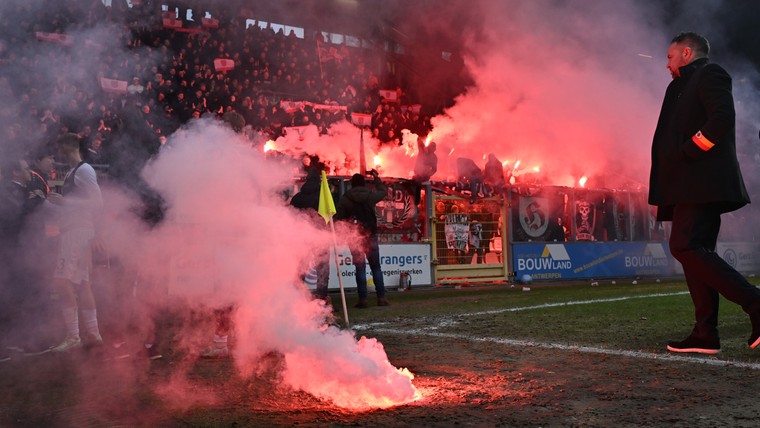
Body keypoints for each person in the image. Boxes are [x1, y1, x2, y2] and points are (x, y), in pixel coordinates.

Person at [648, 32, 760, 354]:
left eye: (670, 58)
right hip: (687, 184)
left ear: (686, 52)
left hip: (701, 182)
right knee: (696, 253)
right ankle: (705, 334)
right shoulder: (679, 85)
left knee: (684, 245)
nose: (666, 65)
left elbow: (722, 118)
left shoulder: (710, 73)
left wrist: (688, 152)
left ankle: (755, 304)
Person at [46, 133, 105, 352]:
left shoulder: (84, 170)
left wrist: (65, 202)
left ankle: (73, 337)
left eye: (59, 147)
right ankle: (93, 335)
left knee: (62, 282)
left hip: (78, 232)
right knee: (83, 283)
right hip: (76, 230)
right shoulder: (73, 172)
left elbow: (97, 202)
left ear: (68, 147)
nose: (57, 153)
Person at [335, 170, 389, 308]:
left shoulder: (345, 199)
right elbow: (383, 192)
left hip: (355, 237)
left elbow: (338, 217)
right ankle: (381, 298)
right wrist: (377, 179)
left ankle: (363, 300)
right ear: (364, 184)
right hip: (370, 235)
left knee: (360, 269)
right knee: (376, 267)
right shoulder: (370, 196)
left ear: (351, 184)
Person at [289, 160, 331, 305]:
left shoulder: (297, 198)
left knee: (302, 267)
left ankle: (297, 297)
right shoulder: (324, 198)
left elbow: (290, 217)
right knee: (323, 268)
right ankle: (322, 298)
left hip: (302, 238)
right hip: (321, 236)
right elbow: (332, 214)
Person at [411, 136, 437, 204]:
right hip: (418, 174)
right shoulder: (422, 151)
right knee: (413, 182)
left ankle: (417, 202)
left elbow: (434, 169)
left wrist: (427, 174)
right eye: (431, 147)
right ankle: (414, 201)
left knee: (417, 183)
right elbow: (418, 140)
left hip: (424, 177)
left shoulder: (434, 158)